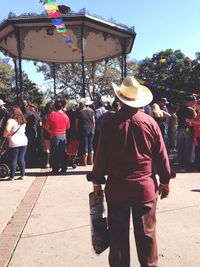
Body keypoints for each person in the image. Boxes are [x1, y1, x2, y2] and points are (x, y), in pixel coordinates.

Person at [90, 76, 173, 267]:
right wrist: (165, 181)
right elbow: (162, 156)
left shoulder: (109, 124)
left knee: (117, 238)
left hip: (117, 187)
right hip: (145, 188)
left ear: (120, 99)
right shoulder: (150, 123)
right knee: (147, 235)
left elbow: (100, 158)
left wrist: (97, 182)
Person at [45, 98, 70, 174]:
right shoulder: (66, 116)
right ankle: (64, 167)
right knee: (63, 152)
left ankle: (55, 169)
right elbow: (68, 127)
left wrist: (51, 131)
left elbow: (47, 127)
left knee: (55, 153)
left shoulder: (51, 115)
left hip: (55, 135)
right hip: (63, 135)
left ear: (55, 107)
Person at [3, 106, 28, 180]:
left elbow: (7, 130)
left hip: (14, 141)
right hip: (23, 140)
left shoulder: (11, 120)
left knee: (13, 159)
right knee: (21, 158)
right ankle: (23, 174)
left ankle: (12, 176)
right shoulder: (22, 120)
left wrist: (5, 135)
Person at [176, 95, 197, 171]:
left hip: (180, 129)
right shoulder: (191, 110)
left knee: (181, 147)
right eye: (194, 101)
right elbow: (194, 119)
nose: (195, 102)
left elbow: (177, 118)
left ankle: (180, 164)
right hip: (188, 129)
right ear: (190, 101)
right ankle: (186, 165)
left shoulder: (180, 109)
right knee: (188, 148)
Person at [76, 97, 95, 165]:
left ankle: (84, 162)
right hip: (91, 129)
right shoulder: (92, 111)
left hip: (84, 130)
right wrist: (93, 128)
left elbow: (77, 123)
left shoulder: (80, 112)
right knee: (91, 145)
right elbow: (93, 121)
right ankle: (91, 161)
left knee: (85, 145)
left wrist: (77, 130)